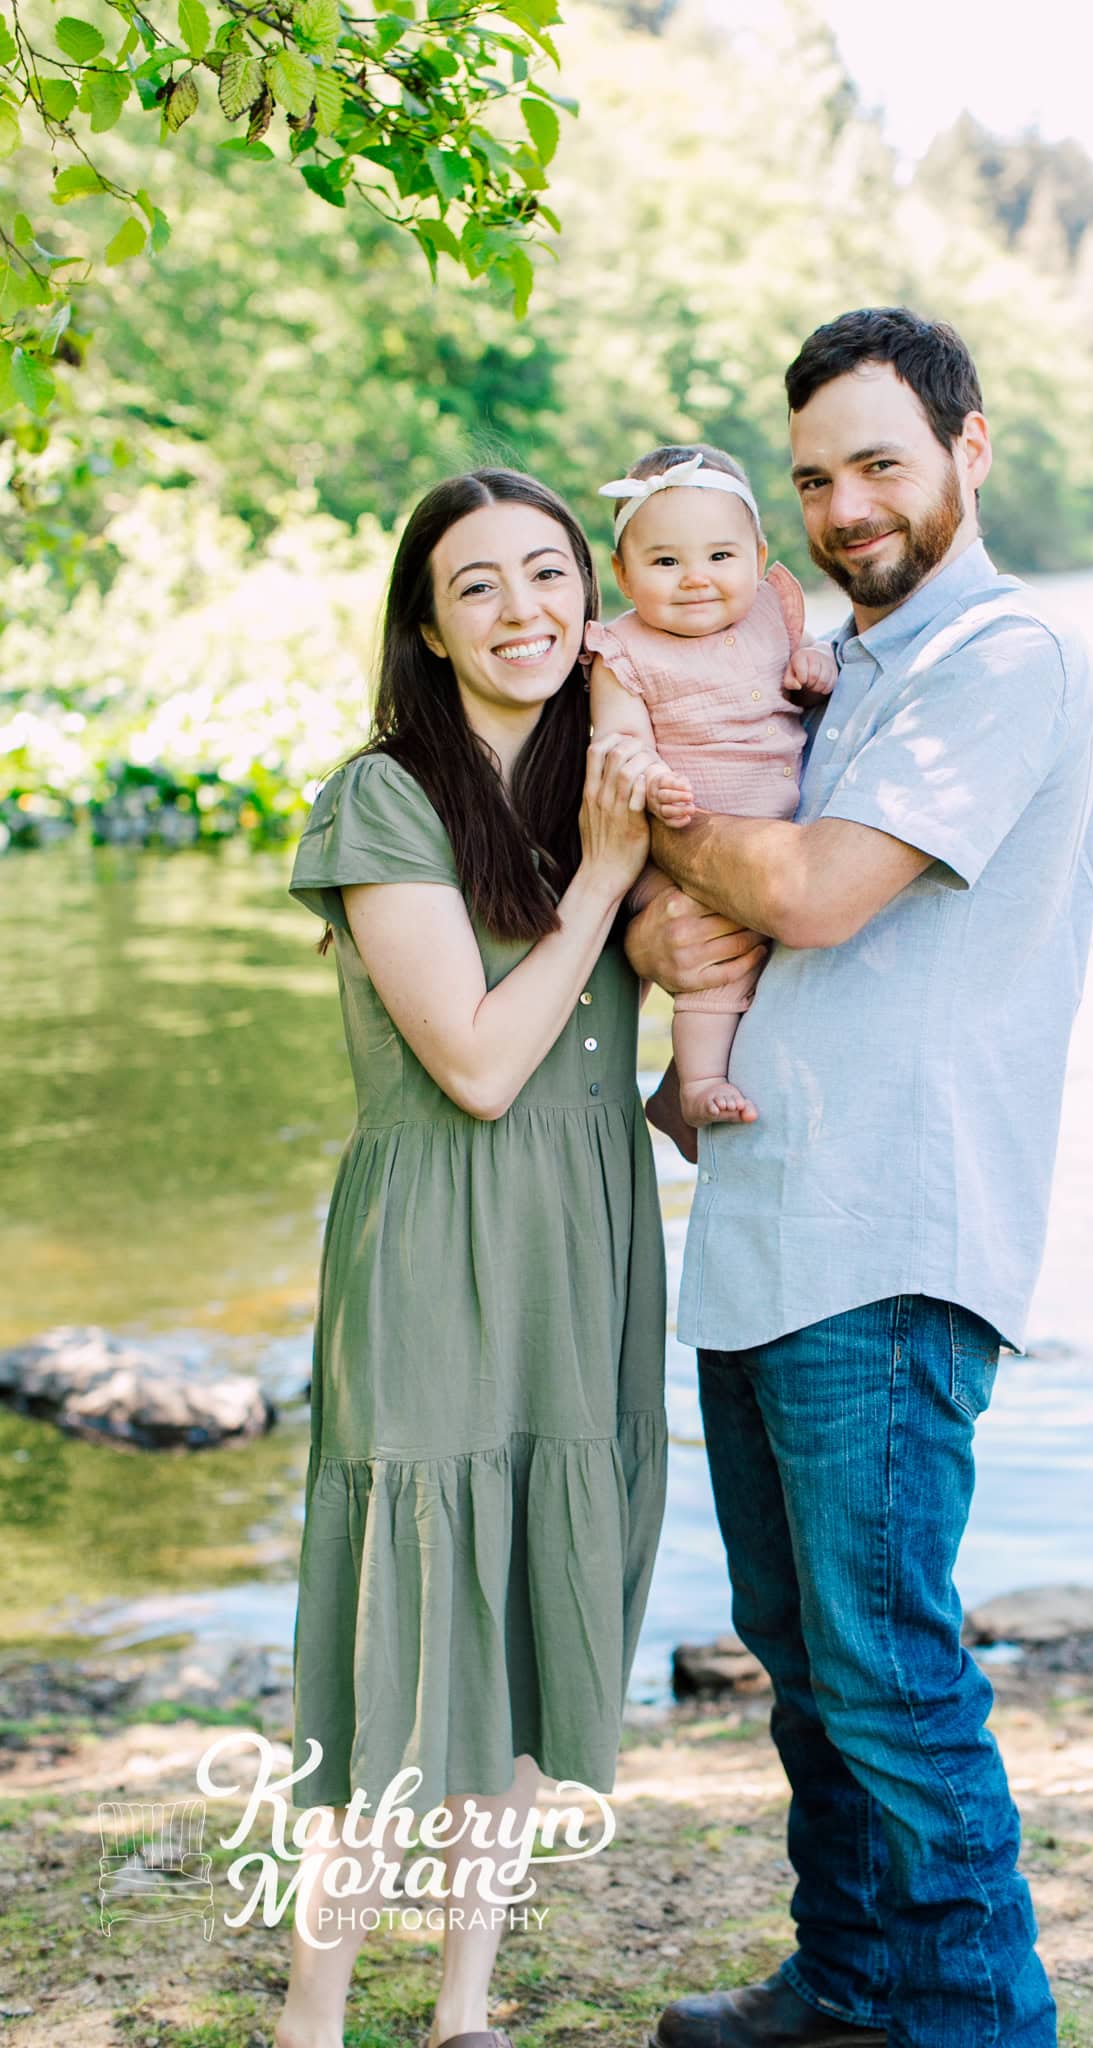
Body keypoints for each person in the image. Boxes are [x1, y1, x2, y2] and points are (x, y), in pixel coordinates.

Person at [626, 309, 1093, 2048]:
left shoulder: (1007, 655)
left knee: (892, 1674)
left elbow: (814, 890)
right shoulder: (839, 662)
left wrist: (645, 814)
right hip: (766, 1223)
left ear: (972, 449)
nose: (845, 505)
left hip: (895, 1241)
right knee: (805, 1665)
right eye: (815, 476)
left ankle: (980, 2020)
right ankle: (853, 1982)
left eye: (880, 461)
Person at [276, 469, 670, 2048]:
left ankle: (462, 2007)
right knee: (407, 1626)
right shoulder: (385, 798)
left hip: (586, 1242)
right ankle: (311, 2016)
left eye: (551, 575)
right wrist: (600, 877)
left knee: (528, 1606)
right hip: (440, 1244)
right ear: (429, 630)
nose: (524, 612)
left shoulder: (620, 773)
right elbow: (482, 1065)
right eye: (479, 588)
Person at [585, 443, 837, 1129]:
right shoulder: (622, 651)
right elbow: (617, 739)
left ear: (757, 560)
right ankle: (694, 1083)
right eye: (665, 562)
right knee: (711, 954)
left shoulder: (769, 615)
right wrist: (650, 777)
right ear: (624, 574)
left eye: (720, 558)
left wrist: (814, 661)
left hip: (780, 839)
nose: (695, 579)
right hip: (689, 837)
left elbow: (810, 650)